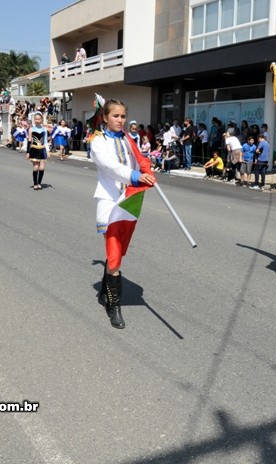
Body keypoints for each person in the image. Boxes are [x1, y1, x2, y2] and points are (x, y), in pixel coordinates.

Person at [89, 98, 155, 329]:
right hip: (109, 202)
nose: (120, 120)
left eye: (123, 116)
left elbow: (139, 161)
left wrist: (146, 169)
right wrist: (136, 176)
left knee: (117, 252)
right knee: (114, 252)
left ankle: (106, 289)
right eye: (115, 116)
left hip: (128, 200)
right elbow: (110, 166)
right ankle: (114, 306)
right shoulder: (98, 142)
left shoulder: (129, 140)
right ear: (105, 117)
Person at [26, 112, 49, 190]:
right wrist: (28, 152)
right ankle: (35, 183)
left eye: (39, 119)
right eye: (36, 119)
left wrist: (48, 151)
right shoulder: (31, 129)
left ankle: (39, 183)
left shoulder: (44, 129)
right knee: (36, 167)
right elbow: (29, 141)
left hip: (42, 150)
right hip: (34, 150)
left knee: (42, 168)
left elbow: (45, 141)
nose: (37, 121)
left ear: (41, 119)